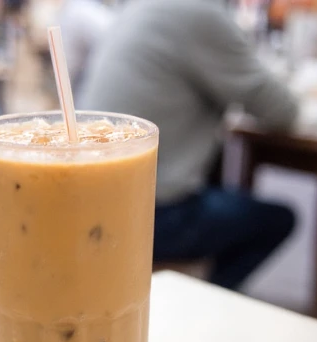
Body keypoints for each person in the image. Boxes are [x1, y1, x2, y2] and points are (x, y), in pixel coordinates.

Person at [81, 0, 299, 290]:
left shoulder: (143, 6)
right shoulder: (200, 13)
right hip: (147, 214)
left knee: (222, 192)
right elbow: (282, 111)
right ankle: (211, 301)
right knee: (277, 220)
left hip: (84, 201)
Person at [58, 0, 114, 98]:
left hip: (79, 80)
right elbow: (113, 38)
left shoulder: (84, 9)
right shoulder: (82, 10)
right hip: (80, 82)